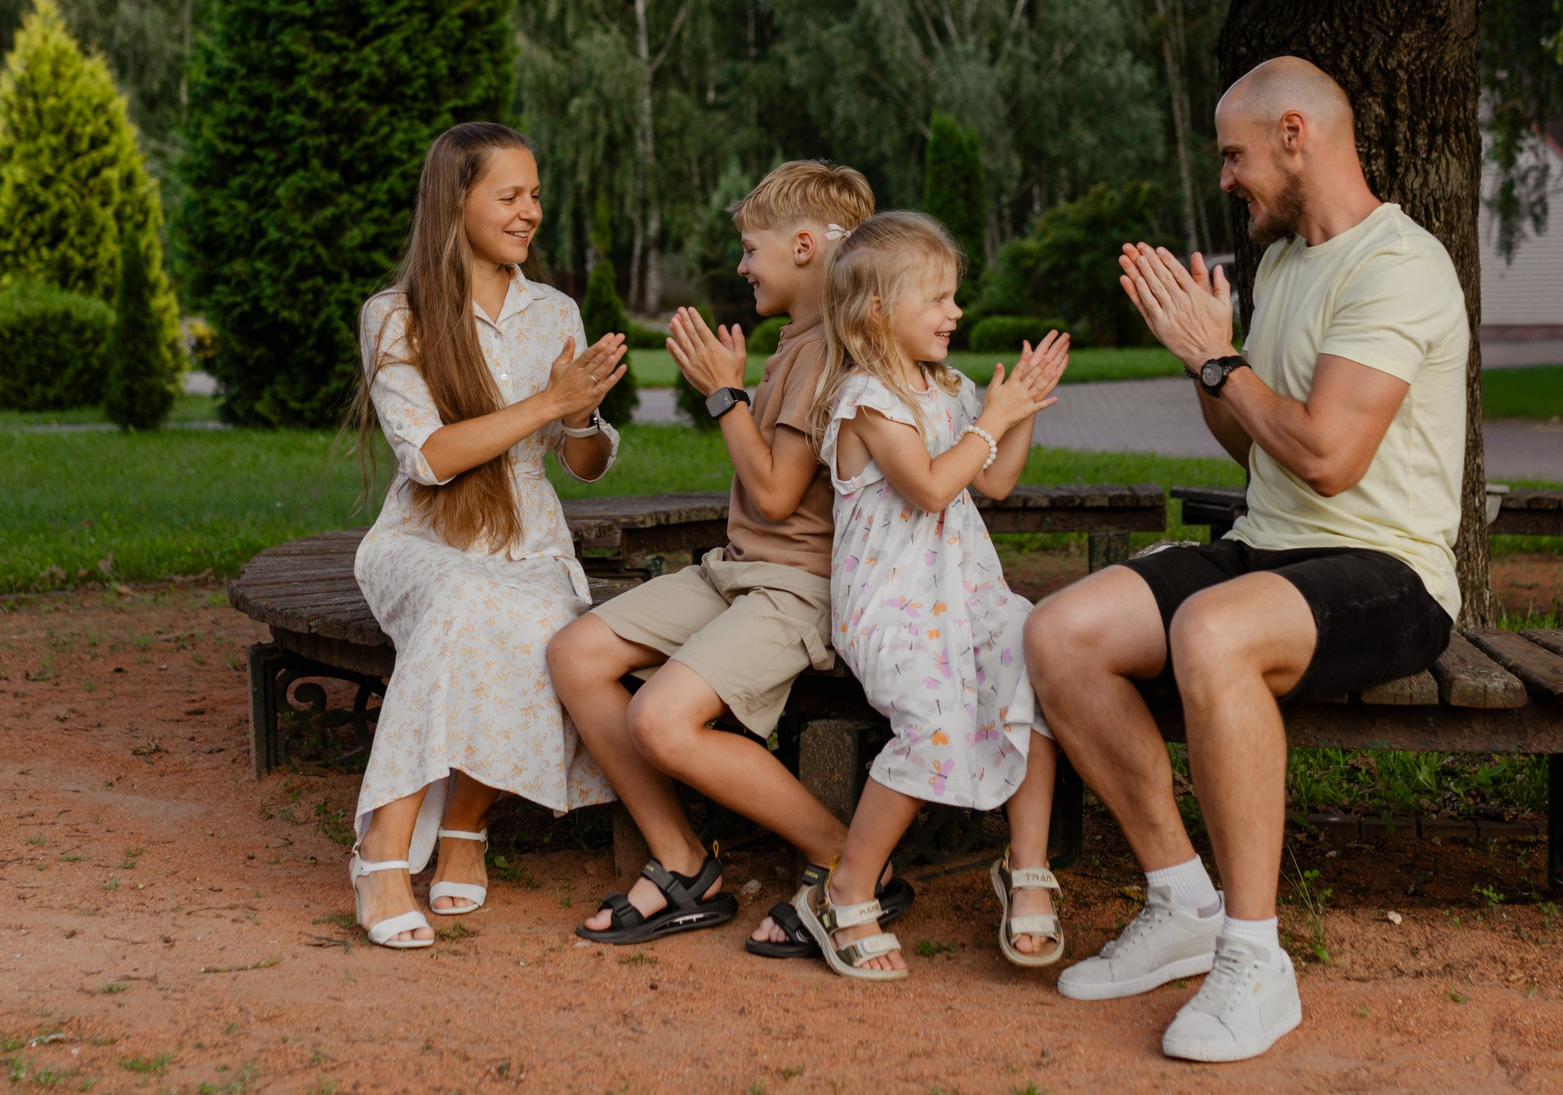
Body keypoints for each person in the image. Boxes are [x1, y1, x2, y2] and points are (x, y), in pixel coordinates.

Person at [1026, 56, 1467, 1059]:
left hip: (1386, 566)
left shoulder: (1397, 263)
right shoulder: (1281, 263)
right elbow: (1258, 443)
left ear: (1296, 133)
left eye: (1235, 153)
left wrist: (1218, 360)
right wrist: (1205, 362)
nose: (1226, 177)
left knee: (1211, 629)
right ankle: (1180, 897)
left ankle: (1255, 959)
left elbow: (1329, 453)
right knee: (1059, 632)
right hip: (1268, 543)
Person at [547, 162, 911, 949]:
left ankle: (852, 864)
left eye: (752, 248)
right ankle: (683, 862)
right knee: (578, 652)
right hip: (737, 570)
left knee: (662, 720)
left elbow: (778, 494)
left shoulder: (832, 350)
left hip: (796, 589)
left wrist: (724, 396)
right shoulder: (797, 342)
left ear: (807, 246)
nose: (742, 265)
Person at [345, 122, 631, 951]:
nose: (529, 211)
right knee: (468, 602)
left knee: (548, 626)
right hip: (420, 540)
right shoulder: (394, 316)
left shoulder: (556, 312)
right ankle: (384, 853)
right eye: (509, 195)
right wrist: (546, 404)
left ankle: (467, 821)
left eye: (534, 194)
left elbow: (582, 462)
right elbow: (430, 457)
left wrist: (578, 415)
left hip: (531, 539)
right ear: (455, 200)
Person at [797, 211, 1074, 980]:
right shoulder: (867, 397)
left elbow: (993, 479)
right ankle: (845, 889)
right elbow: (927, 487)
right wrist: (989, 421)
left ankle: (1026, 867)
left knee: (1034, 670)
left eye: (956, 297)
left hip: (967, 593)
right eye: (940, 298)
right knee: (935, 725)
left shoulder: (943, 387)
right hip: (891, 605)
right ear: (879, 311)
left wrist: (1014, 413)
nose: (956, 312)